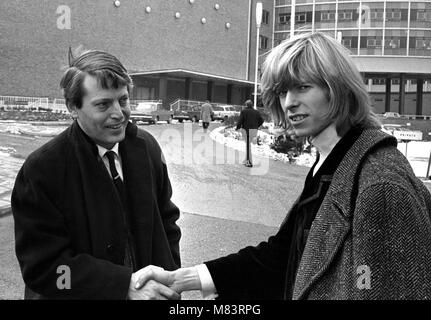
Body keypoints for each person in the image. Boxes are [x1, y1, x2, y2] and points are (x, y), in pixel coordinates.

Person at [134, 32, 431, 299]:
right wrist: (182, 279)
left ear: (339, 88)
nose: (289, 102)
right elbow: (284, 255)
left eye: (302, 87)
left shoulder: (381, 185)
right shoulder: (332, 160)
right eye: (282, 91)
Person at [11, 49, 181, 299]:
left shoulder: (147, 148)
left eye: (122, 100)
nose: (118, 113)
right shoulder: (42, 170)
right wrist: (122, 286)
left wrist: (170, 274)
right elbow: (44, 269)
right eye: (103, 104)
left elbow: (167, 220)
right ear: (72, 107)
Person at [236, 99, 264, 167]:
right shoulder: (256, 112)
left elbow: (240, 120)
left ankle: (249, 162)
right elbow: (262, 120)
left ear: (246, 105)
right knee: (248, 146)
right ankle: (246, 159)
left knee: (248, 146)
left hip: (246, 131)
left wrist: (238, 127)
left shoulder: (244, 111)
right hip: (254, 131)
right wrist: (256, 126)